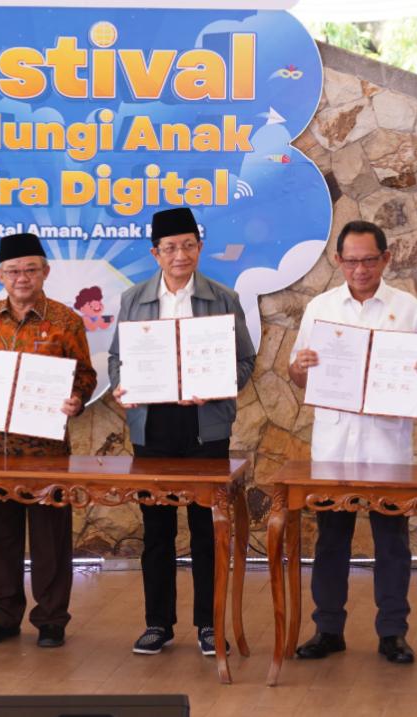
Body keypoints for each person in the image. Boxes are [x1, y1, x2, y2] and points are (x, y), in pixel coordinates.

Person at [287, 220, 417, 664]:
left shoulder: (407, 308)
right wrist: (300, 367)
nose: (360, 270)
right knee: (330, 542)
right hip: (334, 446)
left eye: (370, 260)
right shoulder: (320, 308)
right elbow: (296, 374)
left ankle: (393, 633)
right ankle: (328, 629)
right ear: (338, 260)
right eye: (352, 261)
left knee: (392, 543)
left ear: (386, 259)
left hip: (386, 446)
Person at [108, 207, 256, 657]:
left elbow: (245, 360)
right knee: (157, 531)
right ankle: (158, 624)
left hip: (204, 426)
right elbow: (117, 358)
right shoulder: (134, 298)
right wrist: (122, 386)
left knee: (207, 529)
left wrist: (218, 386)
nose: (180, 255)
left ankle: (209, 625)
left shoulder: (222, 298)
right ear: (155, 253)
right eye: (170, 248)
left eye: (188, 245)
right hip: (152, 426)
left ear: (200, 247)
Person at [0, 232, 96, 649]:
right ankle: (2, 616)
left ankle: (51, 620)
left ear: (45, 272)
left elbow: (86, 375)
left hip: (47, 451)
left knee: (51, 540)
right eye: (13, 271)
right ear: (0, 275)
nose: (22, 277)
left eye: (31, 269)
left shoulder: (66, 321)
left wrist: (77, 399)